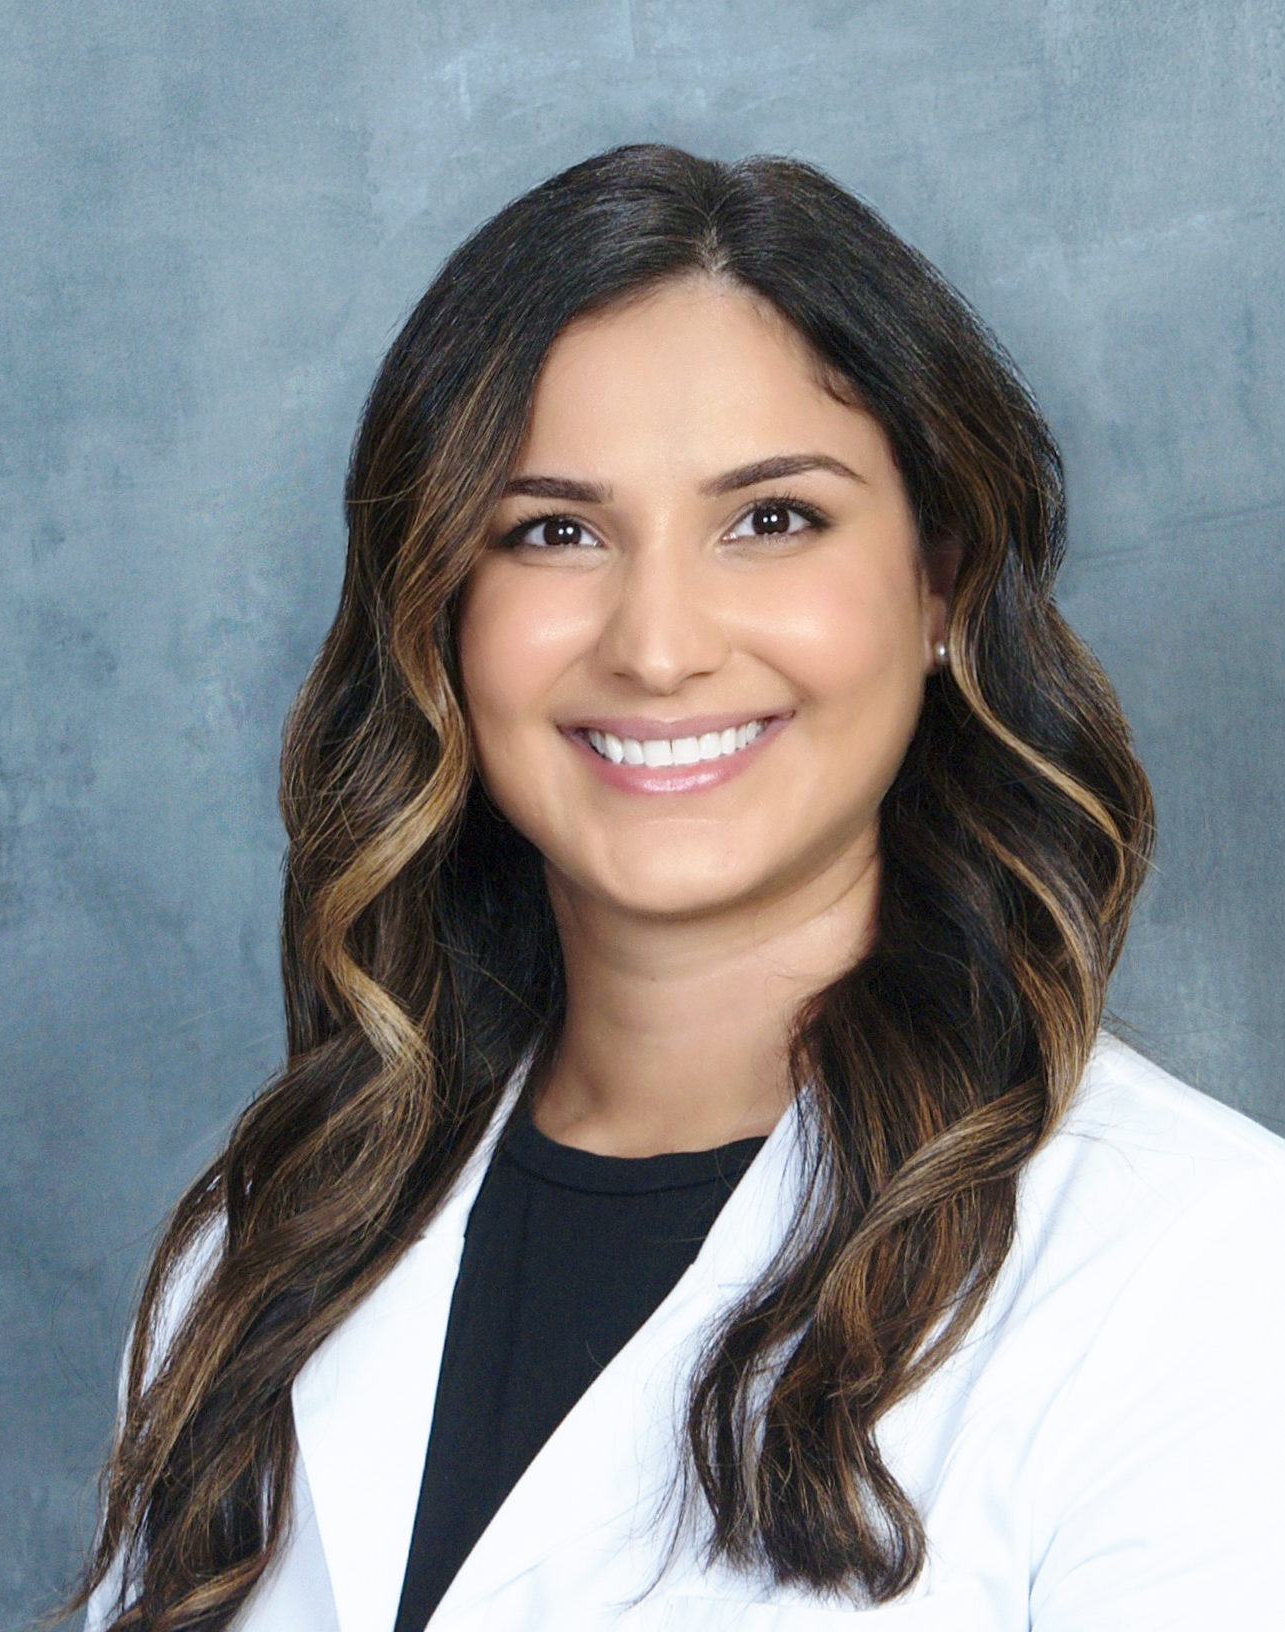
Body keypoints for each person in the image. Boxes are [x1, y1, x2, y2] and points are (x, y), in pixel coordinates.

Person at [77, 145, 1285, 1632]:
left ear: (941, 588)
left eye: (771, 519)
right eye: (553, 532)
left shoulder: (1204, 1278)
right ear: (441, 615)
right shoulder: (261, 1251)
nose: (657, 644)